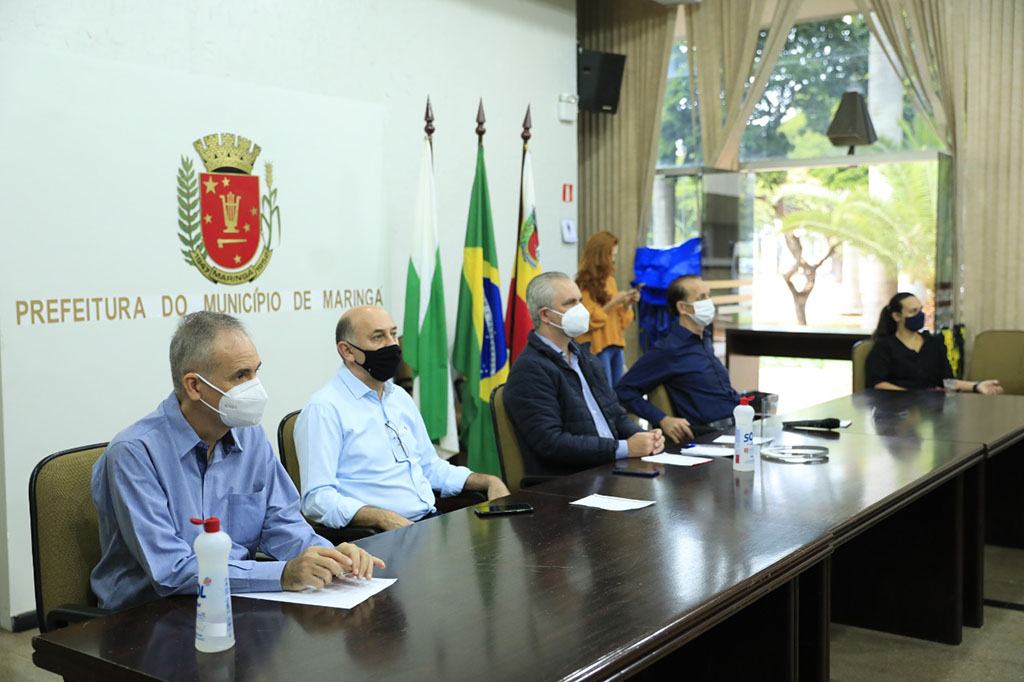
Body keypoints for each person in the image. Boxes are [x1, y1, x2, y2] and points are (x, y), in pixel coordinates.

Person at [91, 312, 384, 612]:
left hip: (232, 605)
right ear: (194, 386)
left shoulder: (250, 436)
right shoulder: (134, 453)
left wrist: (331, 557)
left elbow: (283, 525)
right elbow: (171, 571)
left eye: (256, 372)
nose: (256, 388)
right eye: (241, 376)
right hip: (147, 616)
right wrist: (283, 574)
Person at [295, 305, 509, 532]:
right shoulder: (324, 409)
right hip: (377, 536)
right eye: (378, 337)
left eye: (393, 334)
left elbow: (429, 466)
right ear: (347, 351)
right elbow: (317, 499)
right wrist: (381, 518)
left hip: (428, 523)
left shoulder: (398, 397)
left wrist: (488, 481)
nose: (392, 344)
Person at [503, 272, 664, 477]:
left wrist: (645, 438)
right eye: (570, 303)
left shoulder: (587, 359)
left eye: (580, 300)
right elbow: (551, 443)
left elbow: (616, 416)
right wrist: (625, 448)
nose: (581, 309)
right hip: (572, 481)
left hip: (612, 469)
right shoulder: (529, 370)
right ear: (545, 315)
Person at [615, 274, 743, 443]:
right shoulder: (668, 350)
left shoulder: (704, 340)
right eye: (701, 298)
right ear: (683, 307)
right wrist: (663, 419)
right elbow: (623, 391)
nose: (708, 302)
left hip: (737, 427)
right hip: (710, 437)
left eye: (709, 295)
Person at [866, 292, 1003, 393]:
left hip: (930, 409)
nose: (920, 315)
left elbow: (947, 381)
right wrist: (911, 396)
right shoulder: (884, 346)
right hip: (896, 409)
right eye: (913, 311)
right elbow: (878, 383)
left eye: (920, 309)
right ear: (897, 316)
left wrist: (976, 386)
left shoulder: (934, 343)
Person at [575, 231, 639, 387]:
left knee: (618, 393)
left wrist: (626, 304)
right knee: (605, 393)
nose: (613, 260)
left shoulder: (610, 281)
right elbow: (587, 321)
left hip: (615, 345)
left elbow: (620, 323)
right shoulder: (582, 284)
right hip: (597, 349)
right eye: (611, 255)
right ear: (601, 256)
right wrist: (614, 302)